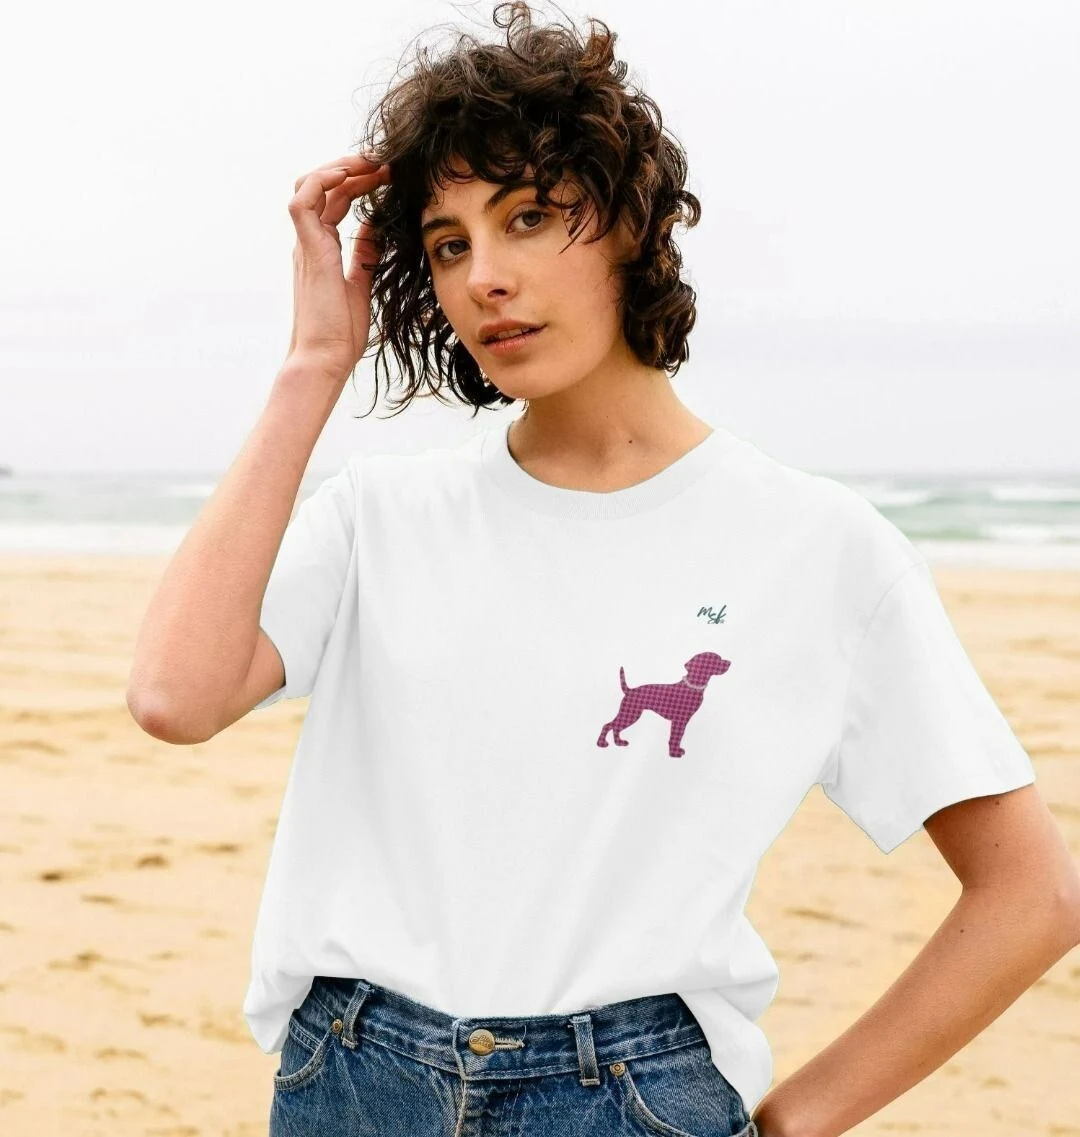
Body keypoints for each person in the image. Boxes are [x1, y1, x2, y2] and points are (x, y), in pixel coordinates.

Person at [127, 3, 1080, 1135]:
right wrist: (313, 363)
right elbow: (174, 696)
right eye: (449, 243)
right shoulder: (382, 518)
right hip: (355, 1083)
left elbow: (1034, 891)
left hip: (628, 1098)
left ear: (630, 224)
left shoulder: (820, 547)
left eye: (528, 217)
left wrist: (792, 1123)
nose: (486, 276)